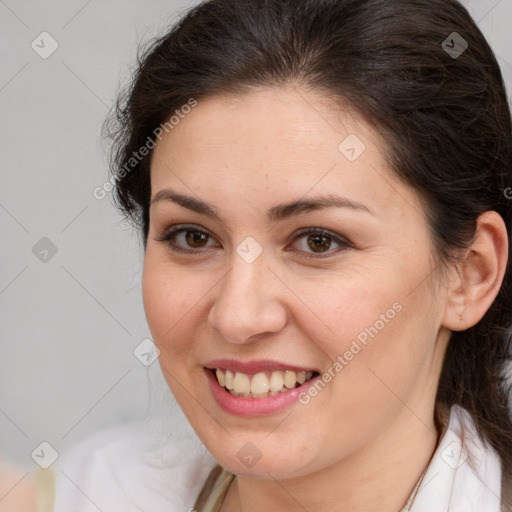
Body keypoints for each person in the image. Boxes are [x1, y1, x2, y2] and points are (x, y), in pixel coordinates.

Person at [52, 0, 512, 510]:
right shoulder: (91, 490)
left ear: (471, 274)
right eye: (193, 237)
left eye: (318, 241)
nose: (237, 316)